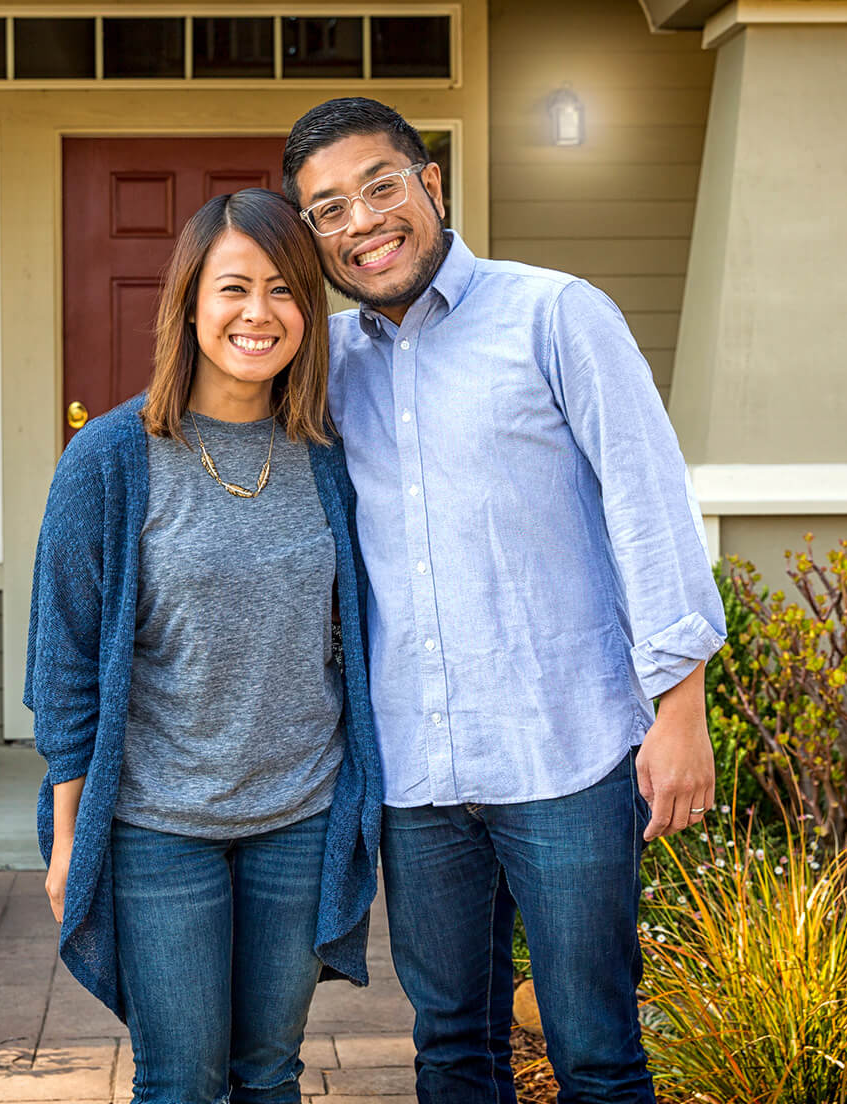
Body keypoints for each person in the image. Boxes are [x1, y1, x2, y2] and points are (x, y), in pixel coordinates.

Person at [282, 98, 727, 1104]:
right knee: (449, 1045)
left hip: (561, 748)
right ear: (312, 234)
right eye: (328, 209)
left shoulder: (555, 313)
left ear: (429, 183)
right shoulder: (326, 367)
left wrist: (680, 702)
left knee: (596, 1048)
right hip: (415, 771)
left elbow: (647, 503)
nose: (362, 222)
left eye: (379, 186)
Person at [23, 187, 382, 1104]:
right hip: (156, 826)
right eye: (233, 288)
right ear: (188, 304)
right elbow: (62, 666)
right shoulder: (110, 459)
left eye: (284, 290)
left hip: (299, 816)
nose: (258, 314)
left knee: (269, 1073)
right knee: (181, 1080)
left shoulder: (332, 454)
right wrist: (69, 840)